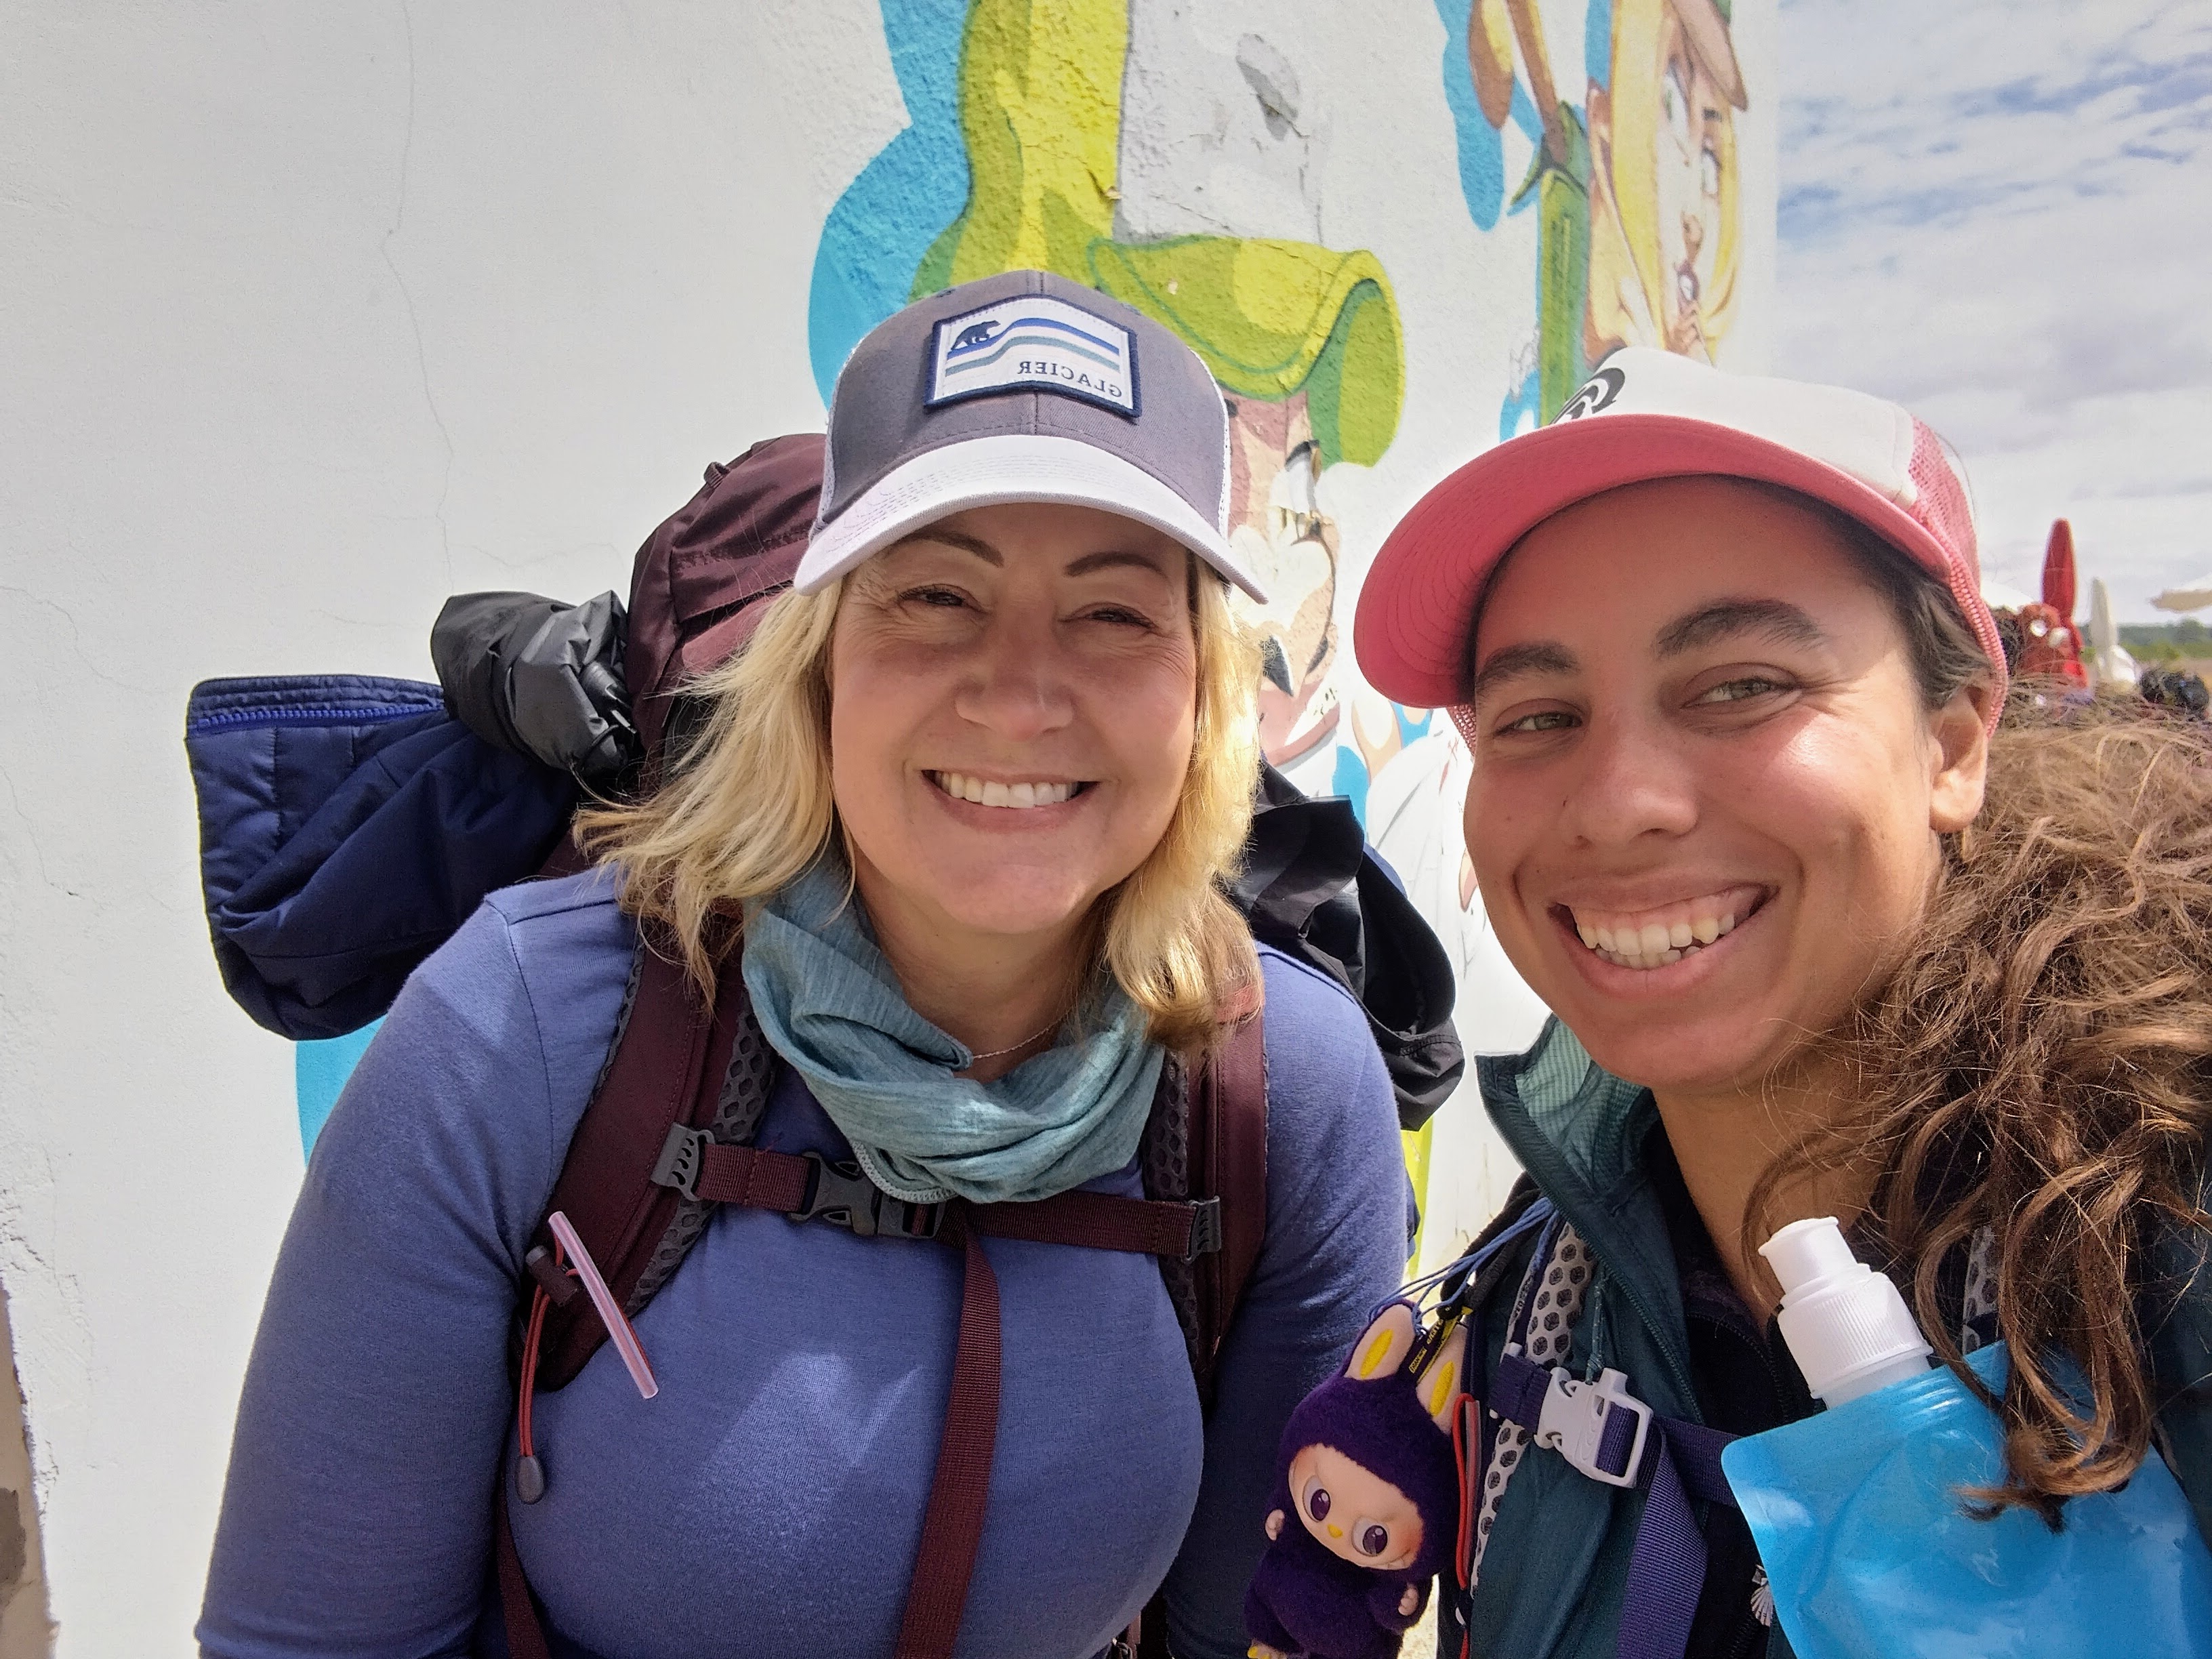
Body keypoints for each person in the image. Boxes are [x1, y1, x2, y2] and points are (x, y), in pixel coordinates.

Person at [196, 270, 1411, 1659]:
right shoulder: (524, 1033)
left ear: (1201, 696)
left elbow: (1252, 1638)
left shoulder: (1285, 1095)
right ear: (821, 667)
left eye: (1115, 612)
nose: (1018, 692)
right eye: (937, 594)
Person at [1353, 346, 2212, 1656]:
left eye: (1743, 685)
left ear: (1957, 739)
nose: (1623, 798)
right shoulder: (1545, 1282)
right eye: (1537, 713)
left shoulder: (2169, 1246)